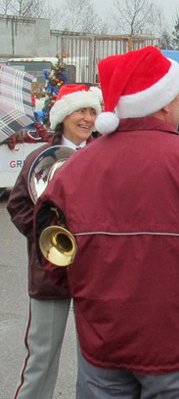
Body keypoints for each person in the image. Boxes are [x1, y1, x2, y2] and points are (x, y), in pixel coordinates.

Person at [34, 46, 179, 398]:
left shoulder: (73, 169)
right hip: (176, 352)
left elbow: (51, 257)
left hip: (101, 349)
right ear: (165, 104)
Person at [8, 83, 103, 399]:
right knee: (42, 361)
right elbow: (18, 205)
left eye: (92, 111)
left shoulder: (104, 154)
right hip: (51, 271)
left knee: (97, 363)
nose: (87, 119)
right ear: (63, 116)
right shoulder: (39, 157)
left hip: (95, 272)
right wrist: (47, 236)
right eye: (80, 111)